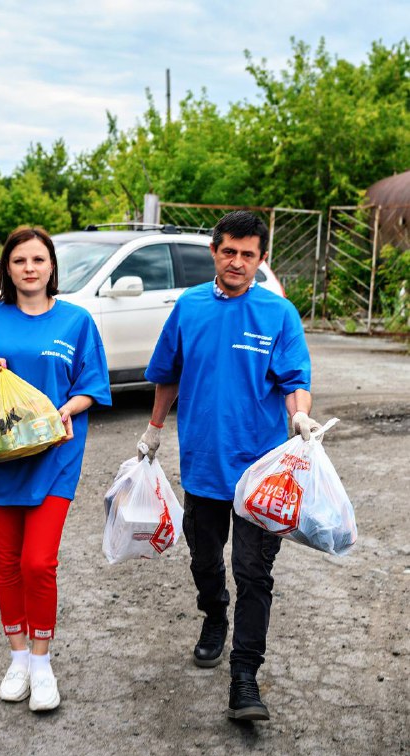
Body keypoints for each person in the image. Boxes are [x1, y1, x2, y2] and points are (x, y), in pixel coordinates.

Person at [137, 210, 321, 721]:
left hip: (260, 475)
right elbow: (167, 374)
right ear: (214, 252)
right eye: (228, 251)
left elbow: (294, 378)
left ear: (262, 259)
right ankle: (214, 613)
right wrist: (154, 428)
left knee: (255, 574)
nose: (237, 261)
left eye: (248, 254)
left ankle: (245, 677)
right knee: (203, 559)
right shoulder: (189, 307)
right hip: (202, 466)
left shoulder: (277, 313)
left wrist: (300, 417)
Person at [0, 226, 111, 712]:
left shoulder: (76, 321)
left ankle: (42, 664)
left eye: (38, 260)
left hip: (54, 459)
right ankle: (17, 659)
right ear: (8, 268)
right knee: (7, 566)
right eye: (20, 260)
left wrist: (70, 408)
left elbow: (92, 384)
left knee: (38, 562)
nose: (29, 268)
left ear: (51, 267)